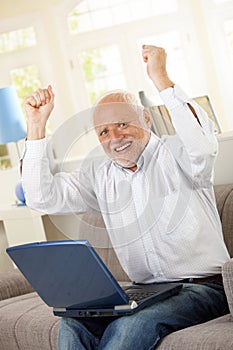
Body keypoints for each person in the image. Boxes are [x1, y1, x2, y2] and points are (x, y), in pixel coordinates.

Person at [22, 45, 230, 350]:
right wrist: (37, 126)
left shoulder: (181, 155)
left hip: (203, 288)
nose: (115, 137)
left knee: (131, 326)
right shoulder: (99, 175)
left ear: (146, 119)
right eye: (103, 132)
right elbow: (40, 197)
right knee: (73, 322)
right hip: (143, 291)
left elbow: (203, 143)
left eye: (122, 123)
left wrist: (161, 79)